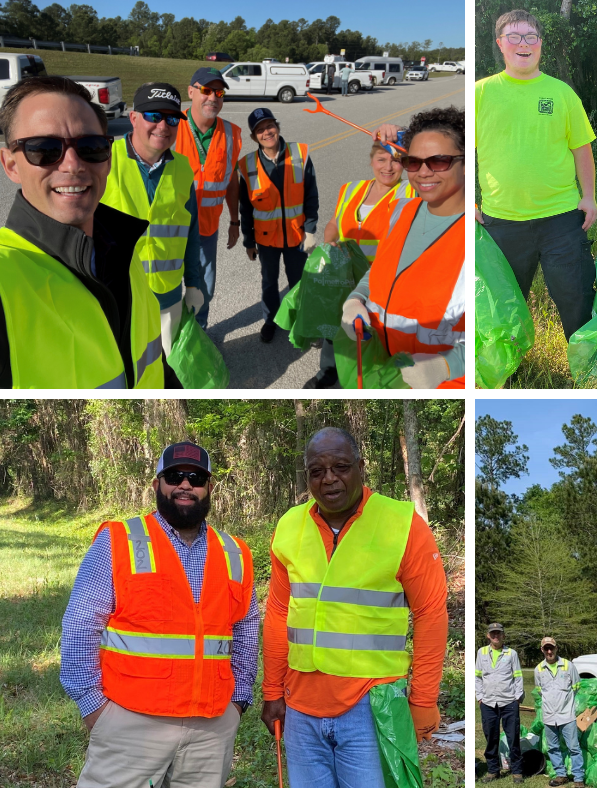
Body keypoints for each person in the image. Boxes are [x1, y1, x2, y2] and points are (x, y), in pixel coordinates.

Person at [60, 441, 260, 787]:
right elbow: (81, 623)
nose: (185, 484)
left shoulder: (235, 552)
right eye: (174, 476)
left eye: (196, 478)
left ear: (209, 488)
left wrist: (239, 698)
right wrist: (92, 704)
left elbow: (245, 628)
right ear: (157, 485)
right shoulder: (118, 540)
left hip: (211, 726)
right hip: (131, 722)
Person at [261, 427, 448, 788]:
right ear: (307, 477)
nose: (329, 479)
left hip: (370, 707)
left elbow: (431, 613)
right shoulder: (288, 527)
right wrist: (272, 692)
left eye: (341, 467)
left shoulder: (403, 525)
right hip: (300, 707)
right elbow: (278, 614)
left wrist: (424, 698)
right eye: (317, 471)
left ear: (361, 466)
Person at [0, 75, 167, 388]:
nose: (73, 164)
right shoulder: (6, 277)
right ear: (10, 165)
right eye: (44, 148)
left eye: (90, 147)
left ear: (107, 158)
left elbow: (154, 362)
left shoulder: (123, 249)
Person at [475, 9, 597, 342]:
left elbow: (581, 149)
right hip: (500, 220)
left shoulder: (562, 93)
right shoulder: (480, 93)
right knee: (505, 305)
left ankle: (585, 369)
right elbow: (455, 147)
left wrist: (588, 196)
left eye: (531, 36)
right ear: (500, 44)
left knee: (577, 298)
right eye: (513, 36)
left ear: (540, 44)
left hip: (561, 217)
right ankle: (507, 371)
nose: (523, 44)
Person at [342, 107, 465, 389]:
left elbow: (505, 339)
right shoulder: (401, 210)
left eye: (439, 161)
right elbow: (380, 270)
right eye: (413, 161)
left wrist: (449, 365)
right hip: (384, 372)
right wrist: (356, 299)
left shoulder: (478, 236)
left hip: (443, 387)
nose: (423, 172)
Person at [100, 82, 205, 357]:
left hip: (167, 295)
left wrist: (194, 284)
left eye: (172, 119)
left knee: (165, 369)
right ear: (133, 118)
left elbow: (191, 233)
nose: (163, 125)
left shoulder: (183, 169)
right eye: (153, 116)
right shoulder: (103, 161)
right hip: (117, 296)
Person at [307, 138, 416, 389]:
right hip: (343, 273)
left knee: (373, 330)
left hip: (382, 280)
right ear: (371, 161)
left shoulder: (411, 192)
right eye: (381, 159)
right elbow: (335, 222)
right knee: (336, 323)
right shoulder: (351, 188)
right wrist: (329, 242)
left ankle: (369, 375)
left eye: (397, 160)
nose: (388, 167)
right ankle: (329, 369)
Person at [239, 107, 319, 343]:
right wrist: (248, 241)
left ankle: (300, 321)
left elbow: (311, 194)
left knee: (298, 282)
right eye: (260, 130)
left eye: (270, 126)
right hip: (266, 239)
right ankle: (271, 321)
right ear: (254, 137)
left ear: (277, 127)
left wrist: (311, 229)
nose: (267, 133)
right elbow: (245, 207)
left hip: (297, 235)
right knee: (269, 283)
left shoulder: (300, 154)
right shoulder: (246, 164)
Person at [175, 67, 243, 329]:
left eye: (219, 91)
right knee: (164, 291)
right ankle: (166, 341)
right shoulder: (171, 125)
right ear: (191, 91)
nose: (213, 97)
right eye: (206, 90)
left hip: (206, 230)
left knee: (204, 289)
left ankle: (198, 334)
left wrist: (234, 221)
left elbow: (231, 180)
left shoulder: (231, 133)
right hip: (170, 227)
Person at [475, 623, 524, 784]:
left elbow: (517, 676)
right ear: (488, 635)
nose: (496, 636)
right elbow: (477, 677)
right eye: (493, 633)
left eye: (499, 633)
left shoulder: (511, 654)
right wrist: (480, 697)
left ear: (503, 635)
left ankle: (517, 771)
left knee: (513, 737)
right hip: (488, 702)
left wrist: (517, 698)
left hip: (509, 701)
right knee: (491, 738)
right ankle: (493, 770)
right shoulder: (481, 652)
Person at [535, 637, 585, 788]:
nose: (549, 651)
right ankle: (560, 775)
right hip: (549, 716)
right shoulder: (538, 669)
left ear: (556, 648)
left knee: (574, 748)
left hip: (567, 715)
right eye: (546, 648)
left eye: (552, 648)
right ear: (542, 650)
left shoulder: (568, 666)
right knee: (553, 747)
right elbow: (540, 692)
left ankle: (578, 778)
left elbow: (576, 687)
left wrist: (565, 703)